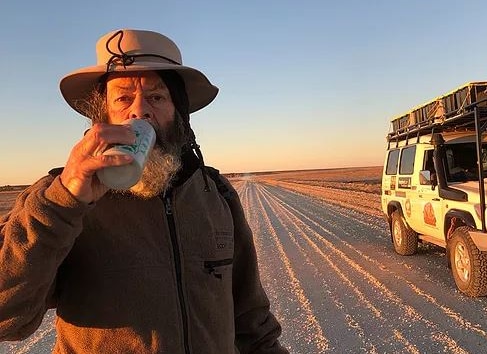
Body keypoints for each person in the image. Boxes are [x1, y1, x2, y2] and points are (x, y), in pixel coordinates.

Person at [0, 29, 288, 353]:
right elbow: (7, 319)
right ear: (102, 115)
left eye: (157, 96)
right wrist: (64, 202)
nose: (140, 111)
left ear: (179, 112)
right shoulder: (60, 198)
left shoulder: (216, 195)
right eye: (123, 98)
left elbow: (252, 322)